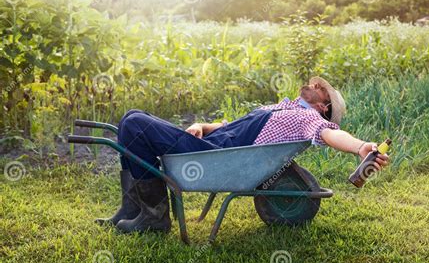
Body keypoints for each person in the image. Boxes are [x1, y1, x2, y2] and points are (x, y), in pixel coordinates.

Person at [95, 76, 389, 233]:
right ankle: (132, 210)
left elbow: (329, 133)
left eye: (320, 89)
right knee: (131, 117)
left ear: (323, 107)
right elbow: (232, 126)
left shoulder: (307, 118)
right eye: (315, 84)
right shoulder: (280, 107)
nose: (313, 85)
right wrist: (203, 125)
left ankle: (154, 218)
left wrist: (360, 146)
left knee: (134, 124)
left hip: (215, 156)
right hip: (212, 146)